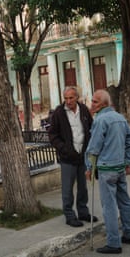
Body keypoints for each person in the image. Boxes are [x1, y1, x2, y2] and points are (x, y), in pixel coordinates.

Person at [85, 89, 130, 254]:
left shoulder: (101, 120)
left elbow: (93, 148)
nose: (91, 104)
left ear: (104, 104)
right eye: (92, 101)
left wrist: (88, 168)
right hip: (120, 168)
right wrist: (127, 161)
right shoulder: (119, 118)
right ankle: (129, 234)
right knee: (125, 201)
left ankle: (114, 243)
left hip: (107, 169)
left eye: (95, 102)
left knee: (109, 207)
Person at [48, 86, 97, 227]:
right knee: (68, 188)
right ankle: (69, 215)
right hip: (67, 157)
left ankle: (83, 212)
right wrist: (63, 148)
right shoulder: (59, 112)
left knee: (83, 187)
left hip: (83, 155)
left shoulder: (84, 110)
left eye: (71, 98)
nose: (68, 101)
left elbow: (90, 128)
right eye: (66, 98)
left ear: (77, 97)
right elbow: (52, 135)